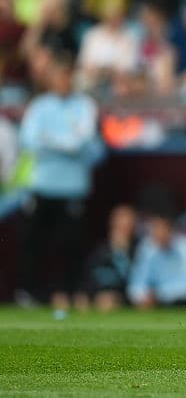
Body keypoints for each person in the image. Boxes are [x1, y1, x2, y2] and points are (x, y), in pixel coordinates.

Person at [16, 55, 104, 316]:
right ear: (51, 80)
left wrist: (51, 142)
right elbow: (30, 142)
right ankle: (30, 292)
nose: (63, 81)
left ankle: (71, 292)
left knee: (71, 243)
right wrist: (67, 144)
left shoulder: (85, 105)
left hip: (73, 187)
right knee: (35, 241)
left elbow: (84, 142)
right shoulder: (40, 106)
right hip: (43, 185)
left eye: (67, 76)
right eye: (59, 76)